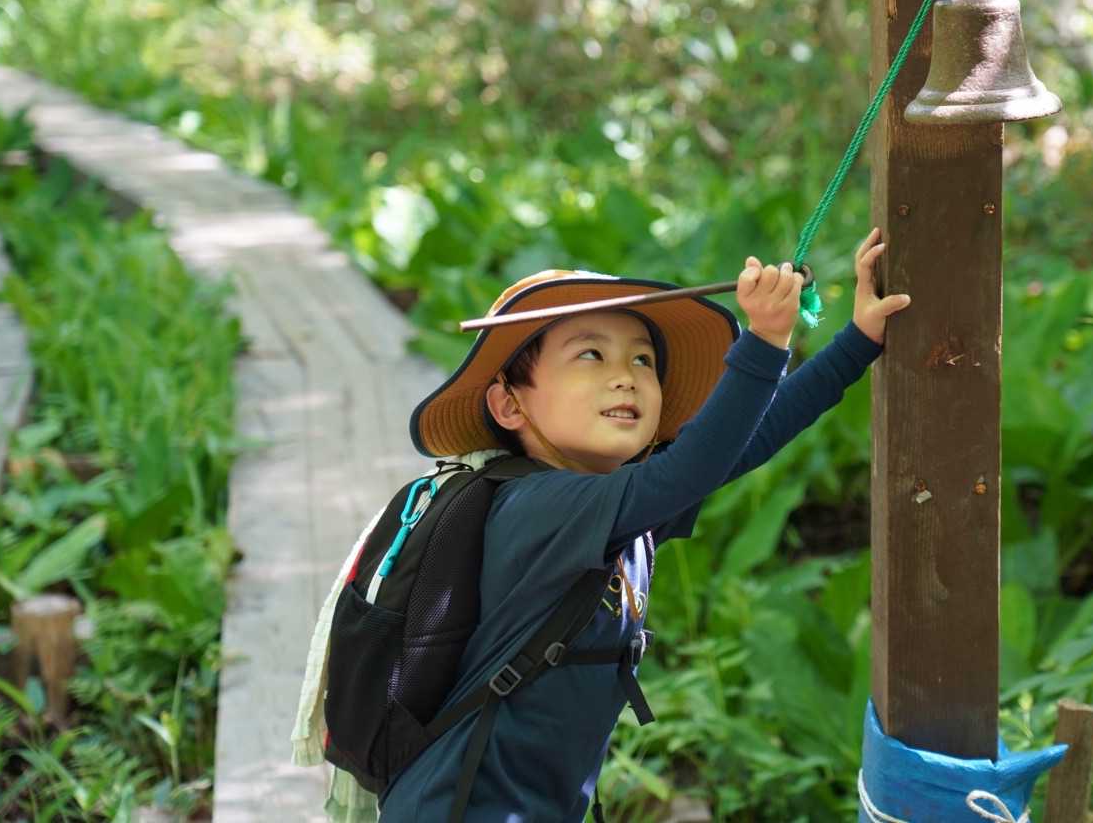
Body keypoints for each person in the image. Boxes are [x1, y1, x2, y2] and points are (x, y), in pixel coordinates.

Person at [384, 228, 912, 821]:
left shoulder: (612, 510)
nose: (626, 375)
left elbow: (744, 443)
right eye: (591, 355)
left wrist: (857, 340)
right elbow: (686, 471)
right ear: (510, 405)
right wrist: (764, 341)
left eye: (643, 359)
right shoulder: (536, 507)